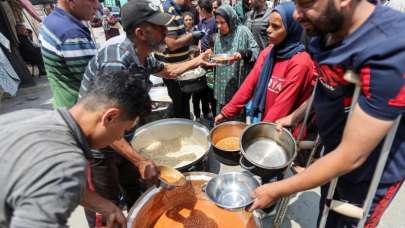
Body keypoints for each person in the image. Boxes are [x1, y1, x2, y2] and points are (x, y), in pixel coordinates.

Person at [250, 1, 405, 227]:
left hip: (368, 175)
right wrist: (293, 117)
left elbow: (352, 156)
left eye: (305, 4)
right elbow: (323, 87)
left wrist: (276, 189)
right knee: (326, 215)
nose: (296, 14)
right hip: (331, 154)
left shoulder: (391, 50)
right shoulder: (326, 30)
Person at [79, 1, 213, 226]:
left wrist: (198, 61)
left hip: (123, 139)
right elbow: (106, 124)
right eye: (159, 28)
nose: (165, 32)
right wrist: (139, 160)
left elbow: (169, 71)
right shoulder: (117, 63)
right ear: (141, 33)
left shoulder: (143, 55)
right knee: (106, 209)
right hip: (99, 149)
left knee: (136, 195)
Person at [0, 70, 151, 228]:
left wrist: (107, 207)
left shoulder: (31, 116)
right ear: (110, 117)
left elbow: (50, 181)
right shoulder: (67, 162)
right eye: (124, 131)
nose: (120, 138)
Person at [215, 2, 314, 126]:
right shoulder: (268, 53)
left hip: (285, 132)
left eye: (276, 26)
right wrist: (226, 112)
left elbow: (281, 107)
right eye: (268, 25)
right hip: (267, 124)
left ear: (291, 29)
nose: (268, 30)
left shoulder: (300, 62)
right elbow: (248, 85)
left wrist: (259, 133)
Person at [39, 0, 98, 108]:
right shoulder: (71, 34)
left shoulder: (51, 20)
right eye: (92, 0)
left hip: (63, 102)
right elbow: (95, 81)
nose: (96, 6)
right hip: (80, 109)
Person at [155, 0, 206, 119]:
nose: (192, 2)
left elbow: (176, 37)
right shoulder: (168, 10)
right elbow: (172, 44)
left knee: (184, 101)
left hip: (181, 68)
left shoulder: (176, 11)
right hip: (172, 71)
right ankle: (181, 131)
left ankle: (185, 124)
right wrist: (191, 36)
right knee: (179, 104)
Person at [213, 5, 259, 115]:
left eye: (222, 22)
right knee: (222, 115)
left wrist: (243, 54)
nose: (219, 26)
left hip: (238, 81)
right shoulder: (219, 35)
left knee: (236, 118)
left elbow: (256, 50)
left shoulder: (243, 31)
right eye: (217, 22)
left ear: (231, 20)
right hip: (221, 84)